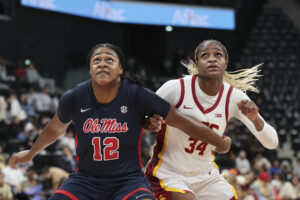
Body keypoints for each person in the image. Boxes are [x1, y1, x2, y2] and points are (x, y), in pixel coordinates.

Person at [9, 43, 231, 200]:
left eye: (109, 59)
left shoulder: (136, 94)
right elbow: (54, 129)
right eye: (96, 60)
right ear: (89, 69)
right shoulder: (74, 97)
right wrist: (30, 153)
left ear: (120, 68)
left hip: (128, 181)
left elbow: (182, 121)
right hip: (85, 180)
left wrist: (218, 142)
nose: (102, 64)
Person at [144, 39, 278, 200]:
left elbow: (272, 143)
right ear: (197, 63)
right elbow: (143, 116)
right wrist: (148, 120)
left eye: (218, 55)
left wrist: (255, 119)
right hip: (168, 172)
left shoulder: (234, 97)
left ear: (226, 63)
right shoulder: (175, 88)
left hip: (205, 176)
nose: (212, 58)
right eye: (205, 55)